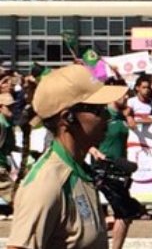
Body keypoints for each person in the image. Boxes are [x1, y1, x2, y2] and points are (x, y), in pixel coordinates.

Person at [7, 64, 128, 249]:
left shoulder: (78, 169)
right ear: (67, 118)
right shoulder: (46, 185)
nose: (106, 117)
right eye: (98, 109)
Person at [88, 82, 137, 249]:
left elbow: (133, 126)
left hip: (120, 169)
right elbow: (85, 136)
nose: (127, 97)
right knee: (124, 213)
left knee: (125, 214)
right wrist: (94, 150)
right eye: (124, 94)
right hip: (103, 169)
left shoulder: (121, 116)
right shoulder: (103, 115)